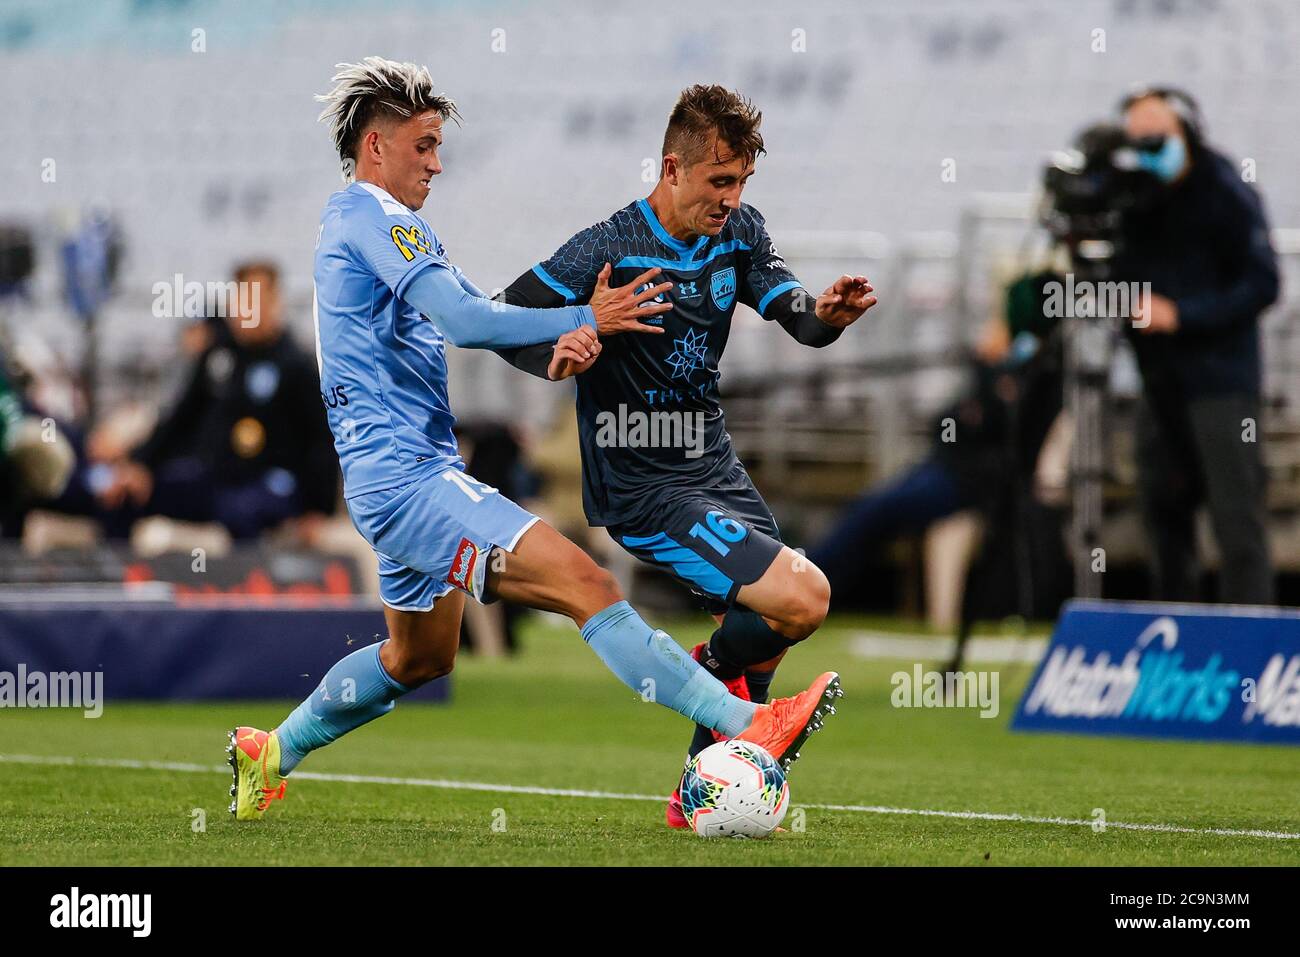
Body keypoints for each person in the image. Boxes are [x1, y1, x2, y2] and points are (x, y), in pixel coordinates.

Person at [228, 58, 842, 822]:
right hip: (411, 481)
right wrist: (589, 317)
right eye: (423, 145)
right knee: (590, 588)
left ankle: (272, 751)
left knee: (419, 656)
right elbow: (468, 320)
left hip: (401, 477)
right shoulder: (374, 217)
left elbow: (475, 316)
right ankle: (749, 724)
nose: (437, 161)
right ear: (376, 145)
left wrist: (562, 345)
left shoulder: (355, 221)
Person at [493, 85, 874, 828]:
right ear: (673, 168)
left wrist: (824, 316)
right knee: (803, 597)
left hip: (712, 464)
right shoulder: (607, 247)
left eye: (741, 183)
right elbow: (503, 318)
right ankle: (711, 679)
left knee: (775, 629)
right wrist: (573, 335)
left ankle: (695, 790)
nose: (732, 198)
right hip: (641, 481)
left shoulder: (739, 232)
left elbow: (790, 307)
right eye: (718, 181)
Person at [1114, 87, 1280, 604]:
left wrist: (1182, 315)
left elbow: (1263, 283)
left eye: (1157, 135)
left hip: (1220, 386)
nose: (1148, 148)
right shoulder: (1133, 199)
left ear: (1186, 130)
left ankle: (1253, 650)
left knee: (1236, 523)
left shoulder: (1224, 190)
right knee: (1162, 521)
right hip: (1158, 386)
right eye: (1137, 139)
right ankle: (1176, 642)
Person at [78, 261, 339, 542]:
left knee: (241, 512)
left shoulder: (296, 365)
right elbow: (180, 418)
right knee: (126, 495)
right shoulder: (219, 357)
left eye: (258, 299)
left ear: (275, 302)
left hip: (271, 485)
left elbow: (322, 441)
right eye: (242, 298)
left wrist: (318, 508)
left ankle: (247, 584)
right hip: (215, 479)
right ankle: (117, 577)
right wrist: (140, 464)